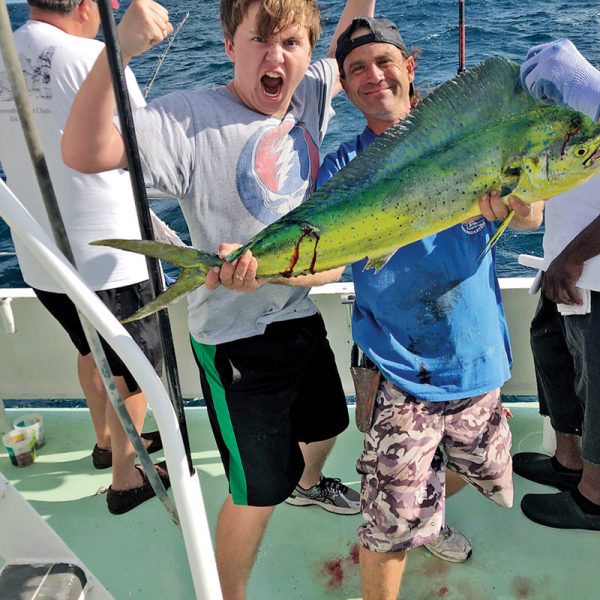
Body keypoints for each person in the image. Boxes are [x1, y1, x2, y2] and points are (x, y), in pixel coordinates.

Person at [62, 1, 375, 597]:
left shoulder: (310, 89)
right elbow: (84, 152)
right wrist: (117, 47)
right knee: (254, 494)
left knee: (327, 425)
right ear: (229, 44)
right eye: (259, 40)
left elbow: (346, 30)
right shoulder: (189, 118)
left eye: (290, 43)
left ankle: (307, 486)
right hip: (236, 342)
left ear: (310, 55)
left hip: (298, 313)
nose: (275, 56)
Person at [317, 17, 545, 599]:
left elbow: (532, 215)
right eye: (356, 70)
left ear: (409, 66)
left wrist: (517, 207)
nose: (374, 77)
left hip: (477, 359)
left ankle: (431, 513)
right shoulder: (345, 168)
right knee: (390, 525)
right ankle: (413, 518)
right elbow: (320, 259)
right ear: (344, 86)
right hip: (397, 367)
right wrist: (251, 274)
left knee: (484, 472)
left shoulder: (474, 137)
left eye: (384, 61)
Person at [0, 0, 169, 515]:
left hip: (41, 262)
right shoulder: (92, 58)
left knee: (88, 348)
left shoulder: (4, 54)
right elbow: (148, 151)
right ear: (82, 5)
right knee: (133, 366)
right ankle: (125, 474)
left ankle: (104, 440)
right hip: (113, 259)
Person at [513, 39, 600, 531]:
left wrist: (572, 258)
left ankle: (594, 498)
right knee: (551, 353)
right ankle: (568, 463)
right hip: (561, 265)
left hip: (588, 269)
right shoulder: (584, 95)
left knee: (598, 385)